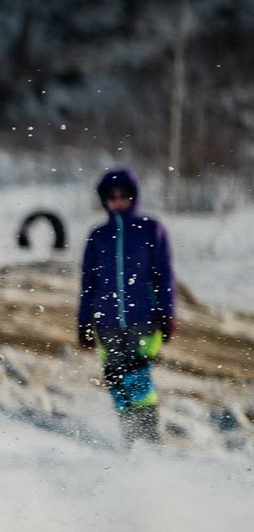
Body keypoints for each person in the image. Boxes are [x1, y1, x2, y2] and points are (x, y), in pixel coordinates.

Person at [76, 167, 177, 446]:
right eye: (112, 196)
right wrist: (84, 322)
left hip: (143, 319)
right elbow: (88, 284)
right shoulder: (97, 236)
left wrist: (168, 312)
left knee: (137, 377)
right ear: (104, 200)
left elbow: (164, 275)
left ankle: (150, 443)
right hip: (107, 323)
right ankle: (131, 444)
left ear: (134, 196)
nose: (118, 200)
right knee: (117, 382)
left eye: (125, 195)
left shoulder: (150, 229)